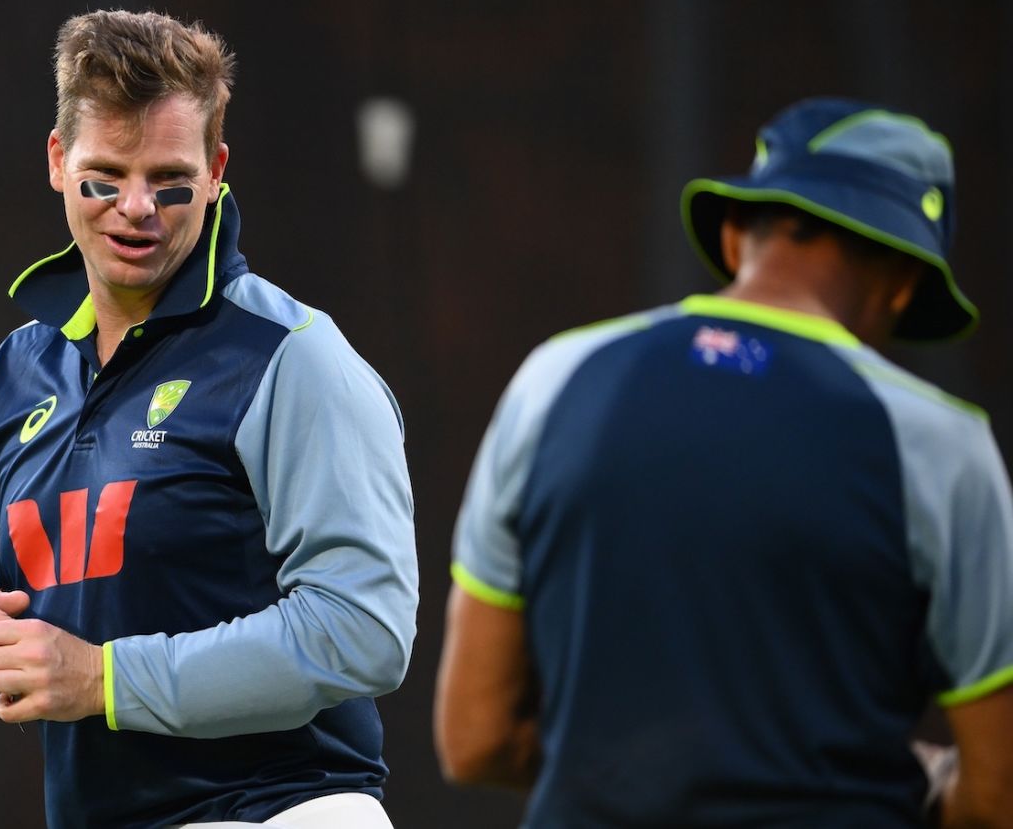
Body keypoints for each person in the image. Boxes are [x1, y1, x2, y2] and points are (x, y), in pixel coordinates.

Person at [434, 97, 1013, 827]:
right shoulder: (943, 444)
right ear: (904, 283)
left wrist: (641, 782)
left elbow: (473, 738)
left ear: (738, 236)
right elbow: (998, 793)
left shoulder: (555, 379)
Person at [0, 10, 417, 829]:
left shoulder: (291, 356)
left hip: (285, 811)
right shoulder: (17, 371)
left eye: (169, 179)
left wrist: (106, 679)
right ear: (56, 160)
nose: (136, 207)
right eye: (104, 176)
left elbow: (365, 628)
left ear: (216, 171)